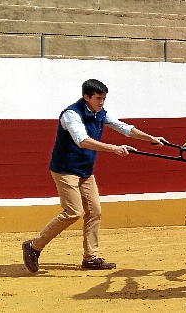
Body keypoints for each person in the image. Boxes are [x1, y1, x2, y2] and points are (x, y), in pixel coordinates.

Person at [22, 79, 166, 273]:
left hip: (85, 171)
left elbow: (124, 128)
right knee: (73, 212)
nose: (102, 103)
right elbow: (82, 141)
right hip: (65, 170)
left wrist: (151, 138)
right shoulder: (71, 114)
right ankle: (34, 246)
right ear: (86, 97)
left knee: (94, 211)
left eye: (104, 98)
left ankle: (91, 257)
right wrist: (114, 148)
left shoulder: (100, 113)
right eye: (98, 98)